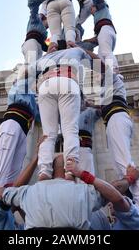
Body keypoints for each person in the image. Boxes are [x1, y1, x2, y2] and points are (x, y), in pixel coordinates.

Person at [0, 155, 131, 230]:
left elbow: (3, 193)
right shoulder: (84, 192)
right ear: (69, 171)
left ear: (50, 171)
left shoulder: (28, 191)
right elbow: (116, 192)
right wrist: (83, 174)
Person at [34, 41, 94, 180]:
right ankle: (70, 169)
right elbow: (94, 58)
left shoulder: (44, 58)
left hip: (46, 85)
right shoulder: (75, 51)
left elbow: (27, 71)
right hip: (67, 80)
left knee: (48, 133)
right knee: (70, 130)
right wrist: (77, 47)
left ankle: (44, 171)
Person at [101, 73, 139, 217]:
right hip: (113, 120)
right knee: (120, 167)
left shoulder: (113, 78)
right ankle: (134, 202)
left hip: (117, 118)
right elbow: (101, 107)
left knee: (126, 165)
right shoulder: (106, 90)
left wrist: (80, 50)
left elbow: (104, 64)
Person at [0, 136, 46, 230]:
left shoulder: (11, 221)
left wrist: (20, 208)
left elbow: (33, 227)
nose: (15, 195)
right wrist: (35, 160)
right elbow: (11, 192)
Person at [0, 73, 39, 188]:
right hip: (12, 123)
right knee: (4, 159)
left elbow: (38, 115)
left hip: (23, 131)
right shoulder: (22, 85)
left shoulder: (33, 97)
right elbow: (29, 71)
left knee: (16, 167)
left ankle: (7, 195)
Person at [28, 0, 103, 51]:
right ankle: (70, 45)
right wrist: (96, 1)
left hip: (51, 4)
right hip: (65, 0)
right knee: (69, 28)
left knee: (55, 33)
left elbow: (31, 0)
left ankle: (53, 47)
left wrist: (35, 10)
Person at [78, 103, 101, 175]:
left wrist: (92, 105)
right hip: (70, 144)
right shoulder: (68, 110)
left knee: (86, 169)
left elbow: (101, 111)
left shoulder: (89, 111)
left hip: (84, 143)